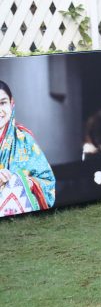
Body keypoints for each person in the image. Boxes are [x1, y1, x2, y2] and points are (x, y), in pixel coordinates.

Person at [0, 80, 56, 215]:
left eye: (3, 103)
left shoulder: (24, 141)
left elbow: (48, 182)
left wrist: (23, 182)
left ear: (11, 103)